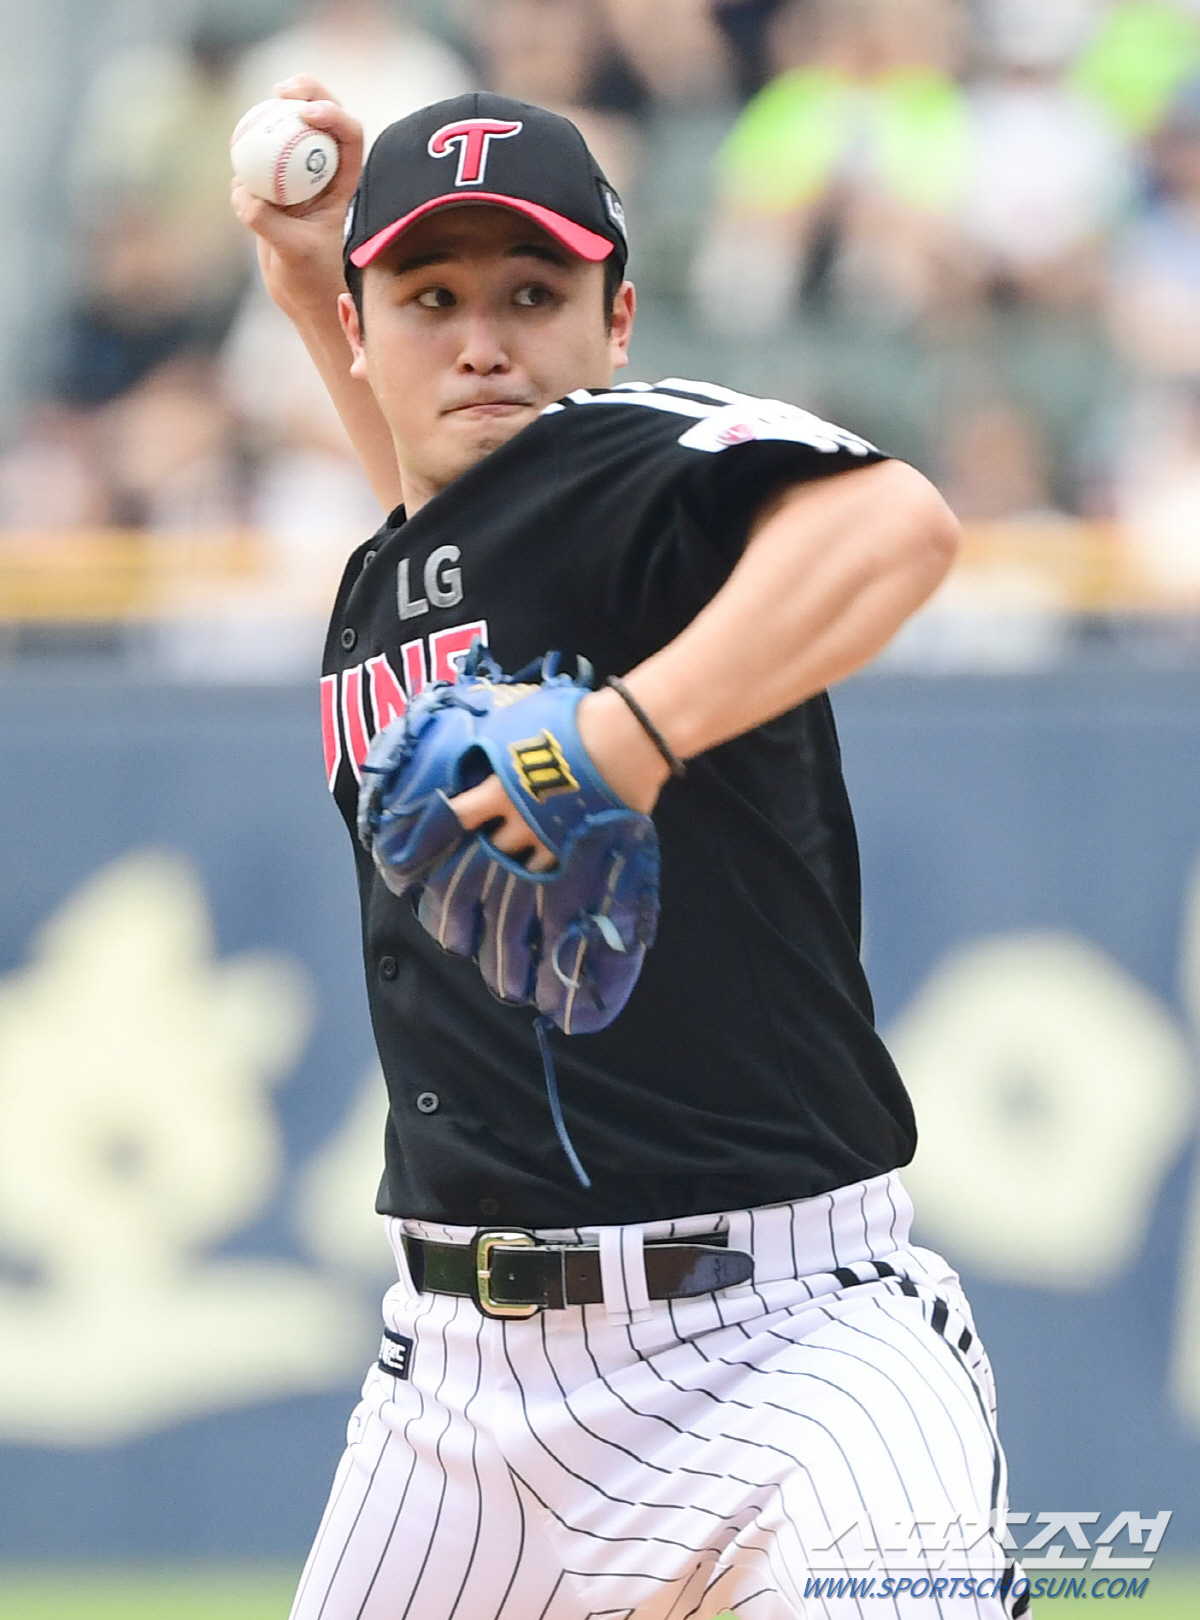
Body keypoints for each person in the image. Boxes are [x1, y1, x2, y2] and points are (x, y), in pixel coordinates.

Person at [233, 77, 1026, 1620]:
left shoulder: (633, 458)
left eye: (534, 294)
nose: (483, 341)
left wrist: (624, 739)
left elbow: (896, 527)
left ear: (617, 322)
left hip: (787, 1349)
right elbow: (464, 528)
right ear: (358, 330)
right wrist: (301, 272)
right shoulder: (413, 560)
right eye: (430, 298)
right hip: (459, 1392)